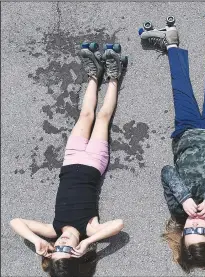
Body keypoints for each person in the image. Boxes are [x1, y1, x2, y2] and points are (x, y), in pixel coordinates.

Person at [139, 10, 205, 273]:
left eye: (191, 230)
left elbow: (167, 172)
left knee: (180, 87)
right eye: (202, 230)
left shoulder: (177, 209)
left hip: (185, 133)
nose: (196, 222)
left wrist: (184, 196)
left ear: (182, 235)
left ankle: (171, 42)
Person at [10, 42, 126, 276]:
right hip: (94, 162)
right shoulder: (89, 229)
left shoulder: (52, 230)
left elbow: (15, 222)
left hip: (71, 160)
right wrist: (86, 243)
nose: (62, 242)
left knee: (85, 114)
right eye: (67, 249)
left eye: (56, 248)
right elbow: (119, 225)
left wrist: (36, 241)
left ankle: (94, 75)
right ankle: (114, 77)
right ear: (76, 252)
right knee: (102, 117)